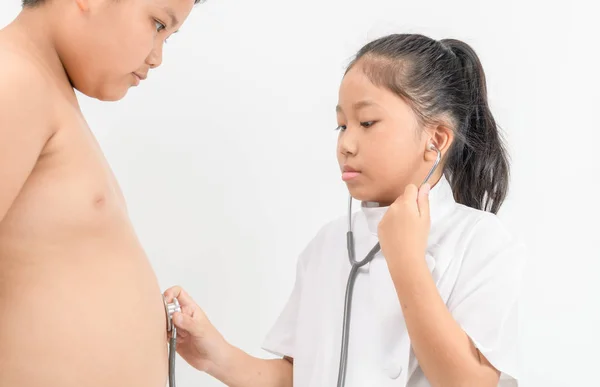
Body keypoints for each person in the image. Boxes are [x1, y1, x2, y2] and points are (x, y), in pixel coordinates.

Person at [163, 33, 526, 387]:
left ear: (436, 139)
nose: (346, 144)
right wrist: (214, 355)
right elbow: (300, 376)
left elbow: (470, 382)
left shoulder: (480, 242)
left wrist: (406, 261)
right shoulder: (328, 244)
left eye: (367, 123)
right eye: (342, 125)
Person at [0, 0, 202, 386]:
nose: (157, 57)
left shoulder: (48, 93)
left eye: (169, 38)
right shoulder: (14, 78)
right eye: (158, 24)